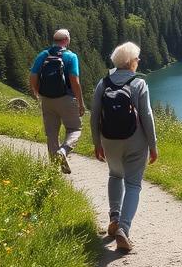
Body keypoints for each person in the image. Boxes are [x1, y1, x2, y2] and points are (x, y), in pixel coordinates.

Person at [91, 41, 158, 253]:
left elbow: (94, 116)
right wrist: (153, 145)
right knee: (133, 184)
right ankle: (124, 228)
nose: (138, 61)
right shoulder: (139, 84)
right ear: (130, 62)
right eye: (137, 58)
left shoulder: (103, 83)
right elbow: (147, 116)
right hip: (135, 142)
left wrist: (97, 143)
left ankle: (114, 217)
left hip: (109, 140)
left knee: (115, 175)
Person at [29, 28, 84, 174]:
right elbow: (75, 81)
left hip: (47, 99)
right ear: (66, 40)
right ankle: (63, 151)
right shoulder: (71, 56)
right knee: (75, 129)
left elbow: (33, 75)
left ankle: (53, 171)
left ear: (54, 40)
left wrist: (36, 92)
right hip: (66, 98)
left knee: (51, 133)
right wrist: (80, 102)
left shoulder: (44, 55)